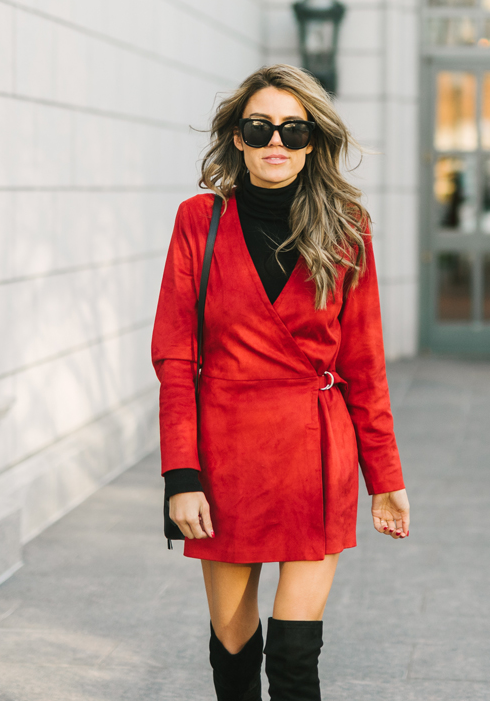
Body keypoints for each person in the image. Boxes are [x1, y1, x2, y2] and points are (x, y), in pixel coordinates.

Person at [151, 64, 411, 701]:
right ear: (236, 138)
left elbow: (365, 366)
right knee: (233, 649)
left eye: (294, 130)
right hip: (226, 457)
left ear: (313, 142)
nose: (276, 141)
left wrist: (386, 478)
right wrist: (180, 475)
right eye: (260, 127)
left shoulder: (346, 225)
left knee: (295, 657)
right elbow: (175, 358)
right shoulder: (199, 220)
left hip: (315, 455)